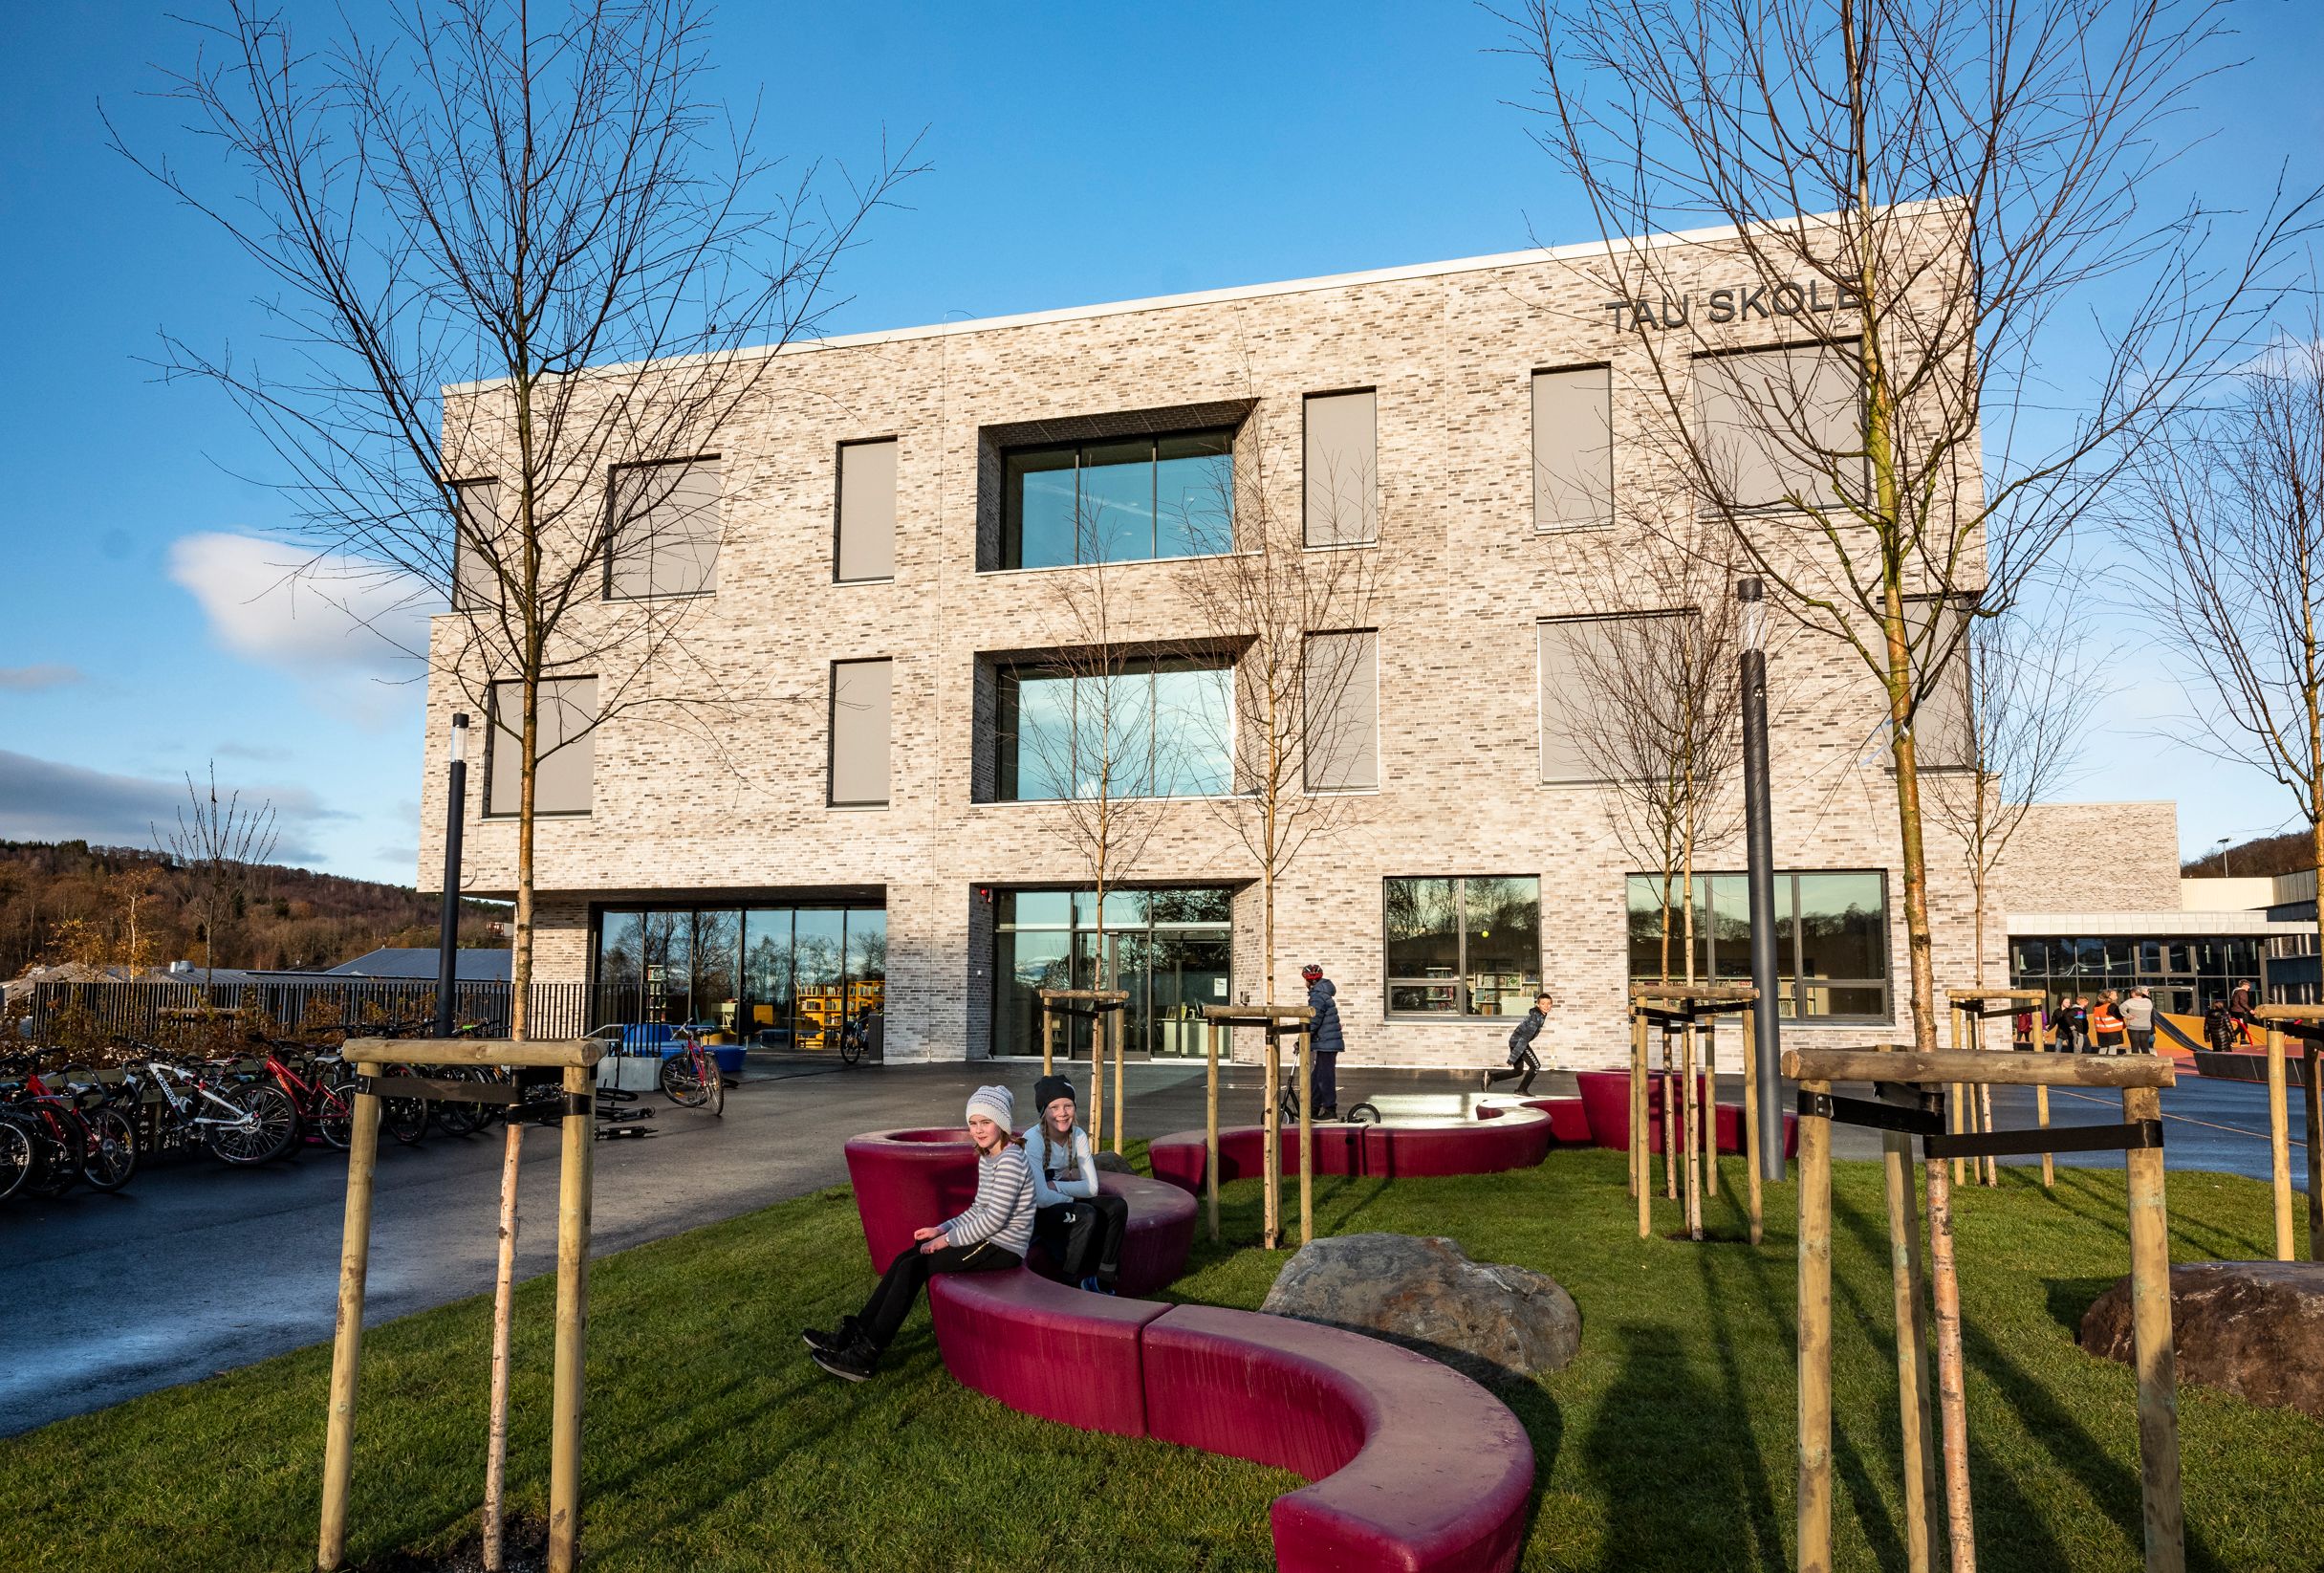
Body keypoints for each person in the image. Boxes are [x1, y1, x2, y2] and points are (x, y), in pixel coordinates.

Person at [803, 1086, 1033, 1381]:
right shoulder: (989, 1156)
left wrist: (945, 1241)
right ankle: (854, 1334)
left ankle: (866, 1355)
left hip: (1002, 1246)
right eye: (973, 1123)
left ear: (1001, 1123)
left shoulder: (1011, 1160)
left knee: (915, 1267)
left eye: (985, 1122)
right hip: (988, 1238)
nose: (978, 1130)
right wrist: (941, 1228)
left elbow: (994, 1220)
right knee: (907, 1257)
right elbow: (978, 1209)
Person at [1023, 1074, 1126, 1295]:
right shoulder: (1032, 1140)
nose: (1062, 1113)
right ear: (1043, 1111)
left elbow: (1091, 1188)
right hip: (1035, 1212)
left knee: (1117, 1206)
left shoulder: (1078, 1135)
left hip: (1058, 1199)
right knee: (1085, 1213)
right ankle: (1068, 1285)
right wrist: (1072, 1196)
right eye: (1054, 1107)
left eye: (1068, 1105)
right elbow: (1041, 1198)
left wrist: (1057, 1187)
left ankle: (1103, 1281)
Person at [1485, 992, 1554, 1094]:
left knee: (1518, 1071)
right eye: (1543, 1004)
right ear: (1538, 1004)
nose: (1546, 1006)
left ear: (1552, 1005)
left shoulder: (1539, 1015)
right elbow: (1525, 1038)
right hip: (1519, 1042)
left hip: (1515, 1041)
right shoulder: (1536, 1018)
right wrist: (1513, 1058)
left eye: (1549, 1003)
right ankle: (1521, 1090)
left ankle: (1491, 1077)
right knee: (1535, 1066)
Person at [1301, 963, 1344, 1120]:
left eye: (1305, 979)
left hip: (1326, 1043)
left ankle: (1330, 1111)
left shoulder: (1318, 997)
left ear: (1309, 981)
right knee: (1317, 1077)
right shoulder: (1322, 994)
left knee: (1325, 1077)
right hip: (1325, 1042)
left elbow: (1313, 1021)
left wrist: (1301, 1040)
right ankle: (1313, 1109)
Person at [2120, 986, 2157, 1055]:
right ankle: (2147, 1059)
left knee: (2135, 1046)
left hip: (2133, 1026)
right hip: (2146, 1026)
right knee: (2145, 1046)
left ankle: (2136, 1060)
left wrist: (2127, 1015)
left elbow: (2121, 1008)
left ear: (2133, 993)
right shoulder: (2148, 1001)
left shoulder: (2130, 1001)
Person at [2090, 992, 2127, 1056]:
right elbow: (2120, 1015)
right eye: (2115, 996)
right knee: (2113, 1047)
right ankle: (2111, 1060)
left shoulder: (2097, 1006)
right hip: (2113, 1031)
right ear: (2109, 997)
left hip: (2101, 1031)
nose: (2116, 997)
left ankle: (2100, 1060)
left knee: (2103, 1047)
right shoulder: (2112, 1006)